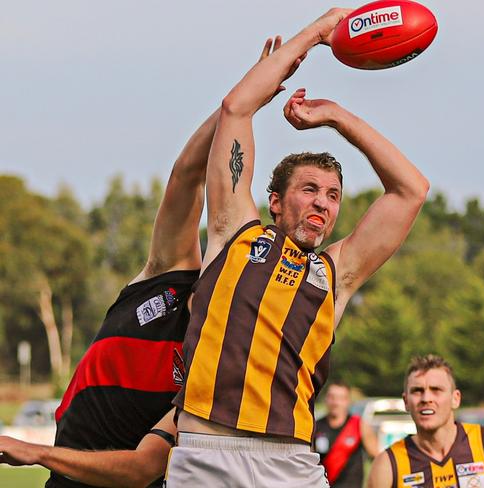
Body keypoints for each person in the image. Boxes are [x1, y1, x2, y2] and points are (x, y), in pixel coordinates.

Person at [0, 37, 286, 488]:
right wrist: (244, 99)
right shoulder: (170, 272)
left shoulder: (212, 366)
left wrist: (37, 452)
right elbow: (187, 173)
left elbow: (141, 469)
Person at [166, 7, 430, 488]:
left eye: (333, 196)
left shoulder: (336, 273)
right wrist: (317, 33)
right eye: (309, 189)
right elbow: (236, 108)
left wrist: (335, 116)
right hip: (206, 453)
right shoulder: (234, 233)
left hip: (290, 462)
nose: (322, 204)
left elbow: (411, 190)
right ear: (274, 201)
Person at [367, 355, 484, 488]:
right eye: (417, 391)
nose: (426, 398)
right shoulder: (387, 465)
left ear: (455, 399)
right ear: (406, 402)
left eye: (436, 390)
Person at [314, 381, 379, 487]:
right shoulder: (316, 427)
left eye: (341, 398)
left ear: (348, 401)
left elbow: (377, 457)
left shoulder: (359, 425)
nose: (335, 402)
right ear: (326, 399)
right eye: (332, 397)